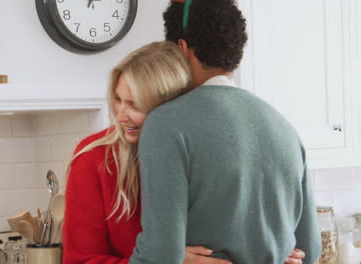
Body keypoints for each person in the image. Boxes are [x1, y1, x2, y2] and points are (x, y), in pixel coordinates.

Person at [63, 41, 306, 264]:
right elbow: (79, 260)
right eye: (117, 99)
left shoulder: (207, 149)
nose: (120, 114)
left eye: (135, 104)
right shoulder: (94, 158)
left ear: (170, 106)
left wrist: (278, 250)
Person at [127, 0, 322, 264]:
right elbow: (309, 249)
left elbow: (160, 253)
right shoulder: (284, 127)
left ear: (182, 48)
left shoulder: (166, 124)